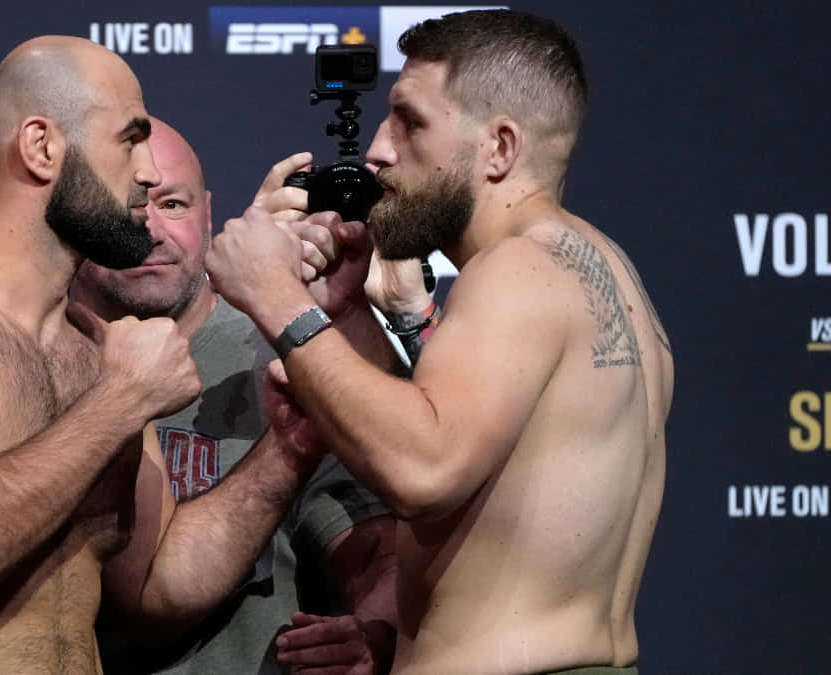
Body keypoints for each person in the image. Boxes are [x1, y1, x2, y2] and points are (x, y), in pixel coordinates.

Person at [0, 37, 323, 674]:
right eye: (129, 140)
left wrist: (288, 449)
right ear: (41, 147)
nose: (148, 173)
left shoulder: (93, 347)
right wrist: (122, 401)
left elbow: (155, 586)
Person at [207, 9, 673, 674]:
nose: (379, 149)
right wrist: (348, 315)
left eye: (411, 121)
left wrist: (274, 295)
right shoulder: (604, 271)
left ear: (500, 148)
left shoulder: (515, 271)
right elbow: (451, 442)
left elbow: (423, 471)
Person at [73, 119, 398, 674]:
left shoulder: (287, 351)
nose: (151, 229)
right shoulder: (40, 359)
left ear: (207, 213)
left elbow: (370, 543)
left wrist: (375, 630)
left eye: (172, 204)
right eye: (128, 206)